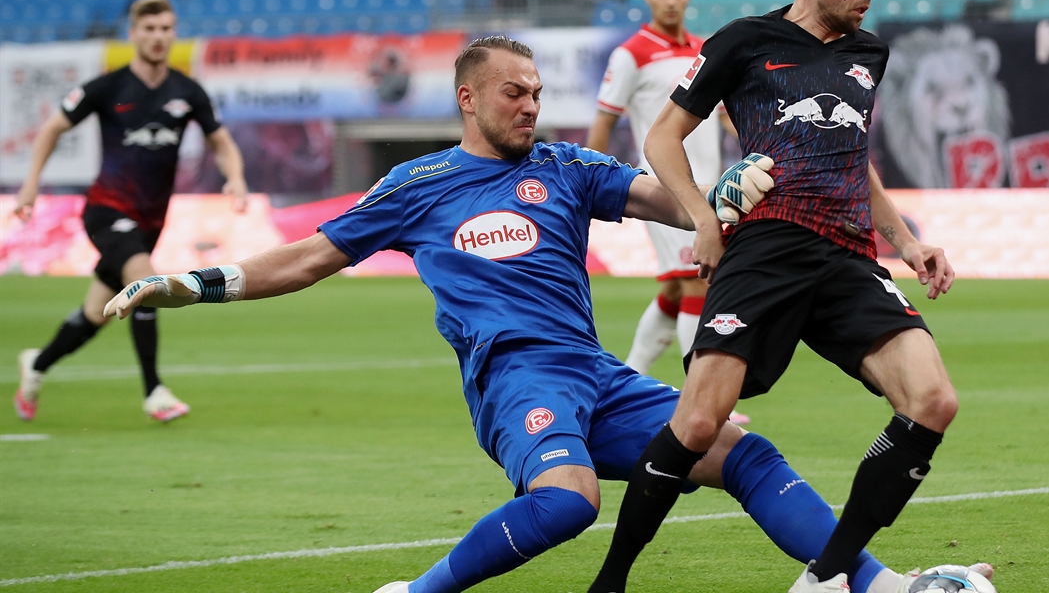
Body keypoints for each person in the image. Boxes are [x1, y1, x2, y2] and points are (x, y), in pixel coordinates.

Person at [102, 36, 911, 593]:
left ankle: (874, 583)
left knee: (743, 453)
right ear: (468, 98)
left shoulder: (567, 166)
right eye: (514, 93)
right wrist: (195, 284)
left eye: (537, 93)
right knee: (569, 501)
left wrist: (718, 199)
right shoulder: (418, 186)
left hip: (596, 376)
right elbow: (309, 257)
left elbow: (664, 200)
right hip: (515, 377)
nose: (531, 105)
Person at [588, 0, 991, 593]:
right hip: (765, 249)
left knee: (933, 401)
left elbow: (853, 157)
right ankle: (610, 583)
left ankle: (825, 577)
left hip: (847, 256)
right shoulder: (744, 41)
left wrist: (906, 241)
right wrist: (704, 219)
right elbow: (662, 138)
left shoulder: (870, 53)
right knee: (699, 422)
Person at [12, 0, 247, 424]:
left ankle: (37, 364)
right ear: (133, 33)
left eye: (166, 29)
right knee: (147, 282)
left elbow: (221, 141)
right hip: (106, 209)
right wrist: (30, 185)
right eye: (150, 29)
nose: (158, 37)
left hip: (150, 221)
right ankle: (154, 391)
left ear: (174, 33)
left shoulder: (187, 91)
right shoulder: (107, 88)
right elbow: (52, 127)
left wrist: (235, 177)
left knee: (95, 314)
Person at [588, 0, 747, 426]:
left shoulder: (703, 49)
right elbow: (604, 122)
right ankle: (704, 401)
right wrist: (586, 186)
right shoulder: (631, 54)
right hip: (663, 189)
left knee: (679, 289)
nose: (671, 1)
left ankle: (623, 383)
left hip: (709, 187)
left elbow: (725, 117)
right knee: (697, 280)